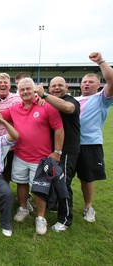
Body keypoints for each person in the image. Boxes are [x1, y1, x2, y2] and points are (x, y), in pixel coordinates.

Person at [0, 77, 64, 235]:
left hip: (41, 157)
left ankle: (40, 217)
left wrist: (57, 152)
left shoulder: (47, 106)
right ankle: (23, 208)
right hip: (21, 155)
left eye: (28, 89)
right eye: (22, 89)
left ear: (34, 89)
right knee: (21, 183)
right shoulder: (16, 108)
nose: (25, 92)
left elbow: (59, 129)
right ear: (18, 91)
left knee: (39, 189)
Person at [34, 76, 80, 232]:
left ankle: (65, 219)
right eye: (53, 86)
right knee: (52, 180)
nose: (57, 88)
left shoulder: (71, 100)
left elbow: (67, 108)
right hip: (52, 150)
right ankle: (53, 206)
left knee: (63, 183)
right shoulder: (48, 101)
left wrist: (45, 96)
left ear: (67, 87)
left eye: (60, 85)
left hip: (67, 150)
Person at [75, 52, 113, 223]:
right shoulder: (74, 100)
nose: (86, 84)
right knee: (63, 177)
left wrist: (101, 62)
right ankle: (60, 203)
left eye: (91, 82)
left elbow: (111, 79)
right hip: (71, 144)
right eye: (84, 82)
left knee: (87, 178)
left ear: (99, 85)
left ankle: (88, 207)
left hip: (90, 144)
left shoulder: (101, 99)